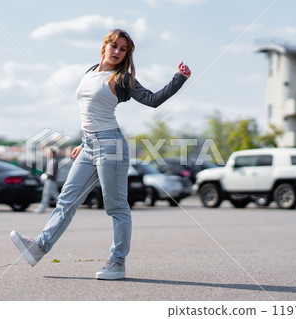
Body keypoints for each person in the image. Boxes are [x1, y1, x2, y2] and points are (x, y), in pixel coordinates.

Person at [10, 29, 191, 280]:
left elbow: (153, 100)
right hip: (89, 145)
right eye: (114, 46)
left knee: (116, 206)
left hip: (111, 145)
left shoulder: (122, 78)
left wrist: (178, 78)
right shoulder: (91, 71)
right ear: (104, 46)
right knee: (67, 199)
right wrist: (84, 142)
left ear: (127, 53)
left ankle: (117, 262)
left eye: (123, 49)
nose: (117, 52)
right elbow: (89, 111)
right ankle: (39, 247)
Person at [33, 147, 63, 213]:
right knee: (55, 194)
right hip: (50, 180)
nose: (47, 154)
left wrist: (46, 176)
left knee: (46, 194)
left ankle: (41, 208)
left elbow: (52, 172)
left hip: (50, 180)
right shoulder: (51, 160)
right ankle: (63, 206)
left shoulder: (54, 161)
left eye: (48, 153)